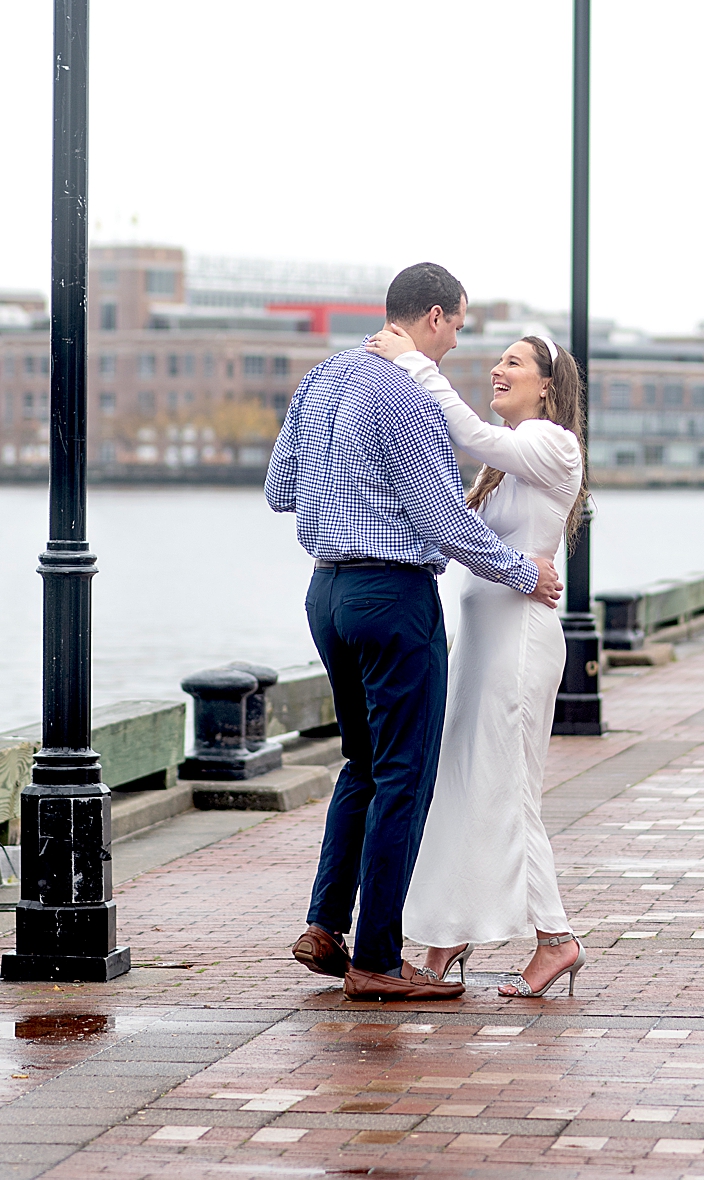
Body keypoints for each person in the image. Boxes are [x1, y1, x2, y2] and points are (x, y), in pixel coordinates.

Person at [265, 262, 563, 1003]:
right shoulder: (408, 395)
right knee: (404, 775)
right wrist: (523, 573)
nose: (460, 342)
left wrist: (347, 497)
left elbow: (280, 490)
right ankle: (376, 958)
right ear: (432, 317)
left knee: (360, 765)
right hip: (393, 597)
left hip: (325, 594)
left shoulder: (321, 380)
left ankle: (325, 924)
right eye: (459, 325)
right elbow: (440, 519)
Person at [366, 324, 587, 998]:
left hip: (518, 645)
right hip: (481, 644)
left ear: (547, 385)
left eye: (513, 362)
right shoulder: (506, 465)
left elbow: (472, 432)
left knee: (509, 789)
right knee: (459, 785)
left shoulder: (551, 444)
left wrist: (414, 365)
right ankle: (443, 936)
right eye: (497, 359)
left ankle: (556, 939)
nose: (497, 368)